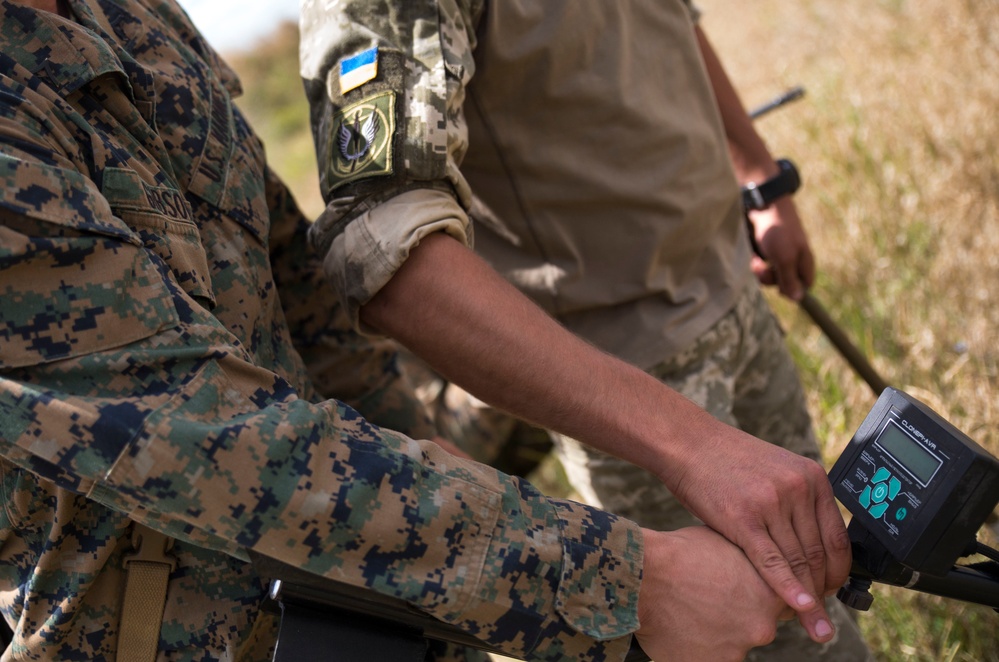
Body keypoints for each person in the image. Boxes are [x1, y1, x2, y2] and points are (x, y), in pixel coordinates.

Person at [0, 1, 814, 661]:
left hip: (380, 597)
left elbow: (295, 290)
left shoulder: (122, 14)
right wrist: (630, 579)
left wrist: (444, 477)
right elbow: (203, 436)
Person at [299, 0, 871, 659]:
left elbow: (674, 23)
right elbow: (387, 254)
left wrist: (759, 178)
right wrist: (687, 445)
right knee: (777, 644)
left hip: (729, 292)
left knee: (826, 579)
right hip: (633, 383)